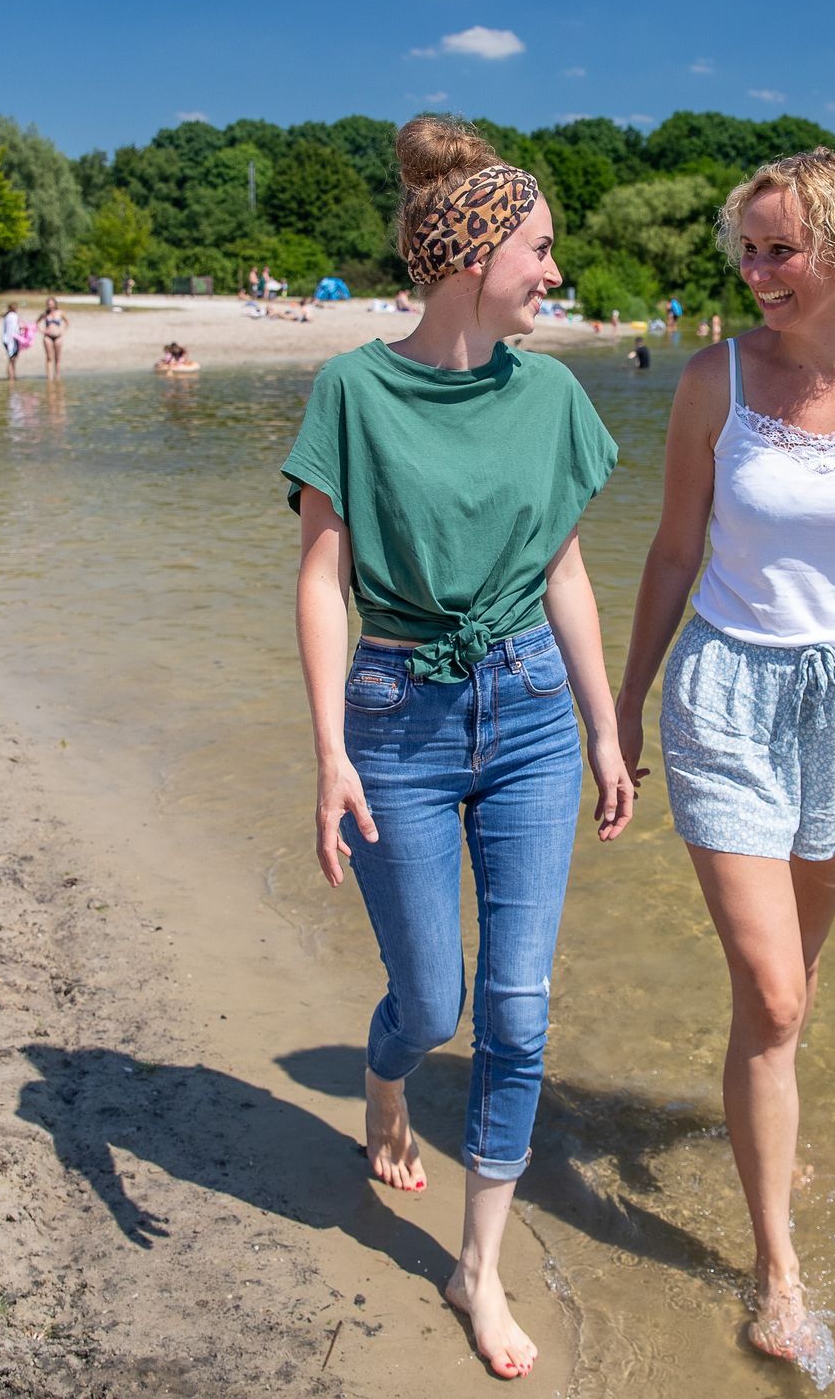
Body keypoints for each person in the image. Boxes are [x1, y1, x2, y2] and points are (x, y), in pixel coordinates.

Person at [284, 116, 631, 1382]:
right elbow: (322, 580)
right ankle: (385, 1084)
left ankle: (477, 1268)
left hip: (531, 710)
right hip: (397, 719)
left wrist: (604, 727)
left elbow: (565, 572)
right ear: (474, 255)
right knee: (432, 1005)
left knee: (518, 1011)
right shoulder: (353, 390)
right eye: (540, 247)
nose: (556, 271)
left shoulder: (551, 394)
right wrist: (330, 753)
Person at [616, 148, 835, 1368]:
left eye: (784, 249)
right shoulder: (712, 377)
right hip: (726, 691)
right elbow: (673, 550)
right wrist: (625, 700)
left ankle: (767, 1114)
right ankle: (779, 1272)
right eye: (751, 250)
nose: (759, 272)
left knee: (795, 986)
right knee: (771, 992)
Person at [40, 296, 68, 378]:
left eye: (51, 304)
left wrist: (63, 330)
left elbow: (67, 322)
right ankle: (49, 377)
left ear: (55, 304)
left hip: (58, 337)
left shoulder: (60, 313)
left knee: (57, 358)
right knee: (49, 357)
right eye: (48, 304)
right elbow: (37, 322)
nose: (50, 306)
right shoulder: (45, 313)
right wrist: (42, 330)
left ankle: (57, 376)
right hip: (47, 337)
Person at [0, 301, 23, 381]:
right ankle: (11, 376)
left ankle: (12, 375)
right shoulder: (13, 316)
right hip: (11, 339)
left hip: (7, 339)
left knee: (12, 359)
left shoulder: (7, 316)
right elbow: (12, 329)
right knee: (12, 358)